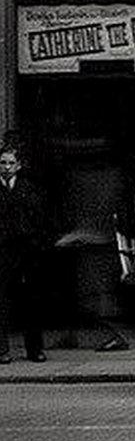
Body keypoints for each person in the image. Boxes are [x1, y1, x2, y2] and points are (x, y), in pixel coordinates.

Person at [0, 145, 50, 364]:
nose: (7, 167)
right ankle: (2, 350)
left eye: (11, 163)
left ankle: (34, 349)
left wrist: (37, 243)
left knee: (31, 301)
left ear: (19, 166)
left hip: (27, 250)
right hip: (2, 251)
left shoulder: (29, 188)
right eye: (3, 163)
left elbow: (39, 219)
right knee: (1, 301)